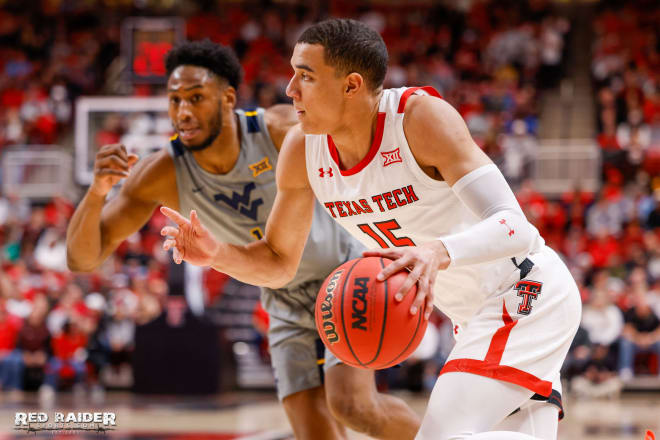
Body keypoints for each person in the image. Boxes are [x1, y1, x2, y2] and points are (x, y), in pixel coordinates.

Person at [160, 20, 582, 440]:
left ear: (351, 85)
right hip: (471, 317)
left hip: (524, 290)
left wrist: (436, 251)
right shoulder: (301, 149)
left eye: (305, 75)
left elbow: (516, 228)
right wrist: (217, 254)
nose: (290, 89)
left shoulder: (419, 119)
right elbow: (277, 262)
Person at [66, 40, 420, 440]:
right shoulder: (162, 171)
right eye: (175, 100)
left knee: (354, 407)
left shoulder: (280, 129)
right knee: (314, 433)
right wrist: (96, 193)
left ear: (228, 97)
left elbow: (367, 157)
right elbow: (83, 258)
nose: (183, 112)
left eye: (196, 98)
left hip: (342, 276)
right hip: (281, 297)